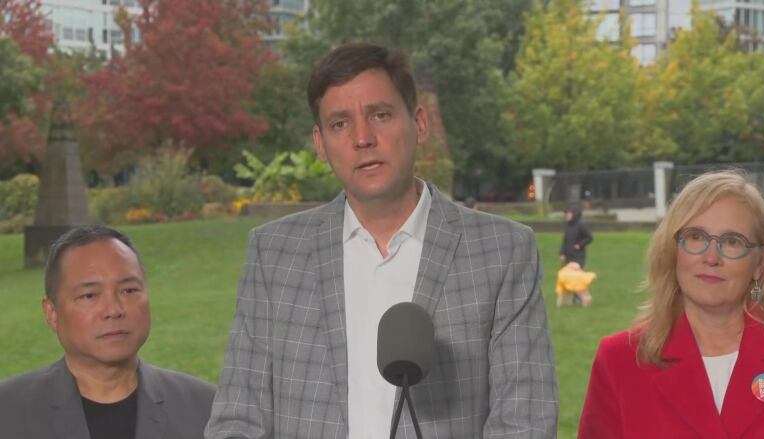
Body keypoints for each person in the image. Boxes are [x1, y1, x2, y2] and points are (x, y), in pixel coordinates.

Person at [205, 42, 557, 439]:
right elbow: (238, 418)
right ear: (320, 143)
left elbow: (525, 422)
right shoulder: (273, 255)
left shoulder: (503, 252)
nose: (362, 138)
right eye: (340, 124)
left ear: (419, 123)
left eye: (380, 115)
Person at [579, 171, 764, 439]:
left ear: (761, 264)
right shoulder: (618, 360)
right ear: (672, 250)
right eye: (696, 236)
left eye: (732, 242)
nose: (711, 257)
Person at [0, 225, 215, 439]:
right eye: (89, 295)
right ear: (52, 313)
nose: (113, 310)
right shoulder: (8, 412)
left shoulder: (209, 411)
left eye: (129, 291)